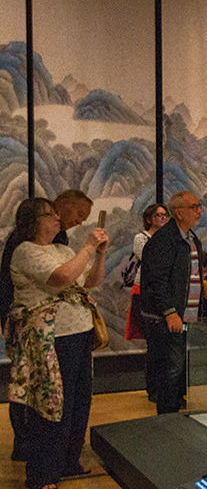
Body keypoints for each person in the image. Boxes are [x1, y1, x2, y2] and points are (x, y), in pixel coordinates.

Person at [6, 197, 108, 489]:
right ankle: (42, 475)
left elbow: (89, 281)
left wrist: (99, 255)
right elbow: (61, 277)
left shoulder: (62, 248)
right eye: (50, 215)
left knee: (77, 404)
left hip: (78, 335)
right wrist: (88, 247)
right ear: (33, 221)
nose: (57, 219)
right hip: (50, 339)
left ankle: (67, 463)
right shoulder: (25, 251)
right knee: (50, 406)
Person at [140, 190, 203, 415]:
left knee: (178, 367)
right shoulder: (165, 240)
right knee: (170, 369)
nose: (199, 211)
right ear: (179, 212)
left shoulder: (191, 238)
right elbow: (158, 280)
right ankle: (167, 419)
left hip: (185, 317)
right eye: (194, 207)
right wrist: (170, 312)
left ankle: (174, 413)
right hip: (168, 319)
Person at [126, 203, 169, 401]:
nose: (162, 218)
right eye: (157, 215)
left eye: (164, 215)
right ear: (149, 218)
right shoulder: (141, 238)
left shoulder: (171, 238)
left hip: (165, 293)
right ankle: (153, 388)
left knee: (166, 341)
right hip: (144, 292)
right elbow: (150, 259)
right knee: (153, 341)